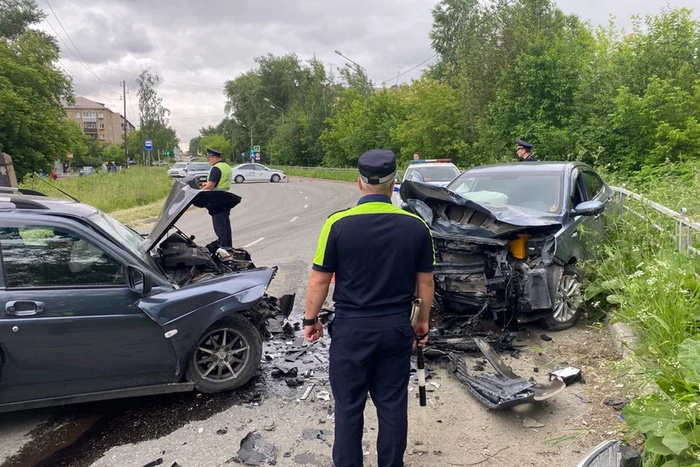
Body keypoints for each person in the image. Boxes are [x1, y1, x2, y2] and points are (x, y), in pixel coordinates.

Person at [303, 149, 435, 467]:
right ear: (394, 185)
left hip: (351, 330)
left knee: (349, 408)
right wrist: (421, 324)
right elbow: (426, 284)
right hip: (395, 329)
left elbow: (319, 281)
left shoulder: (336, 224)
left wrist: (311, 319)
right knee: (391, 405)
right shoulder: (416, 226)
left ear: (359, 183)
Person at [200, 148, 233, 248]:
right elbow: (220, 181)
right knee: (226, 226)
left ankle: (223, 248)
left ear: (214, 158)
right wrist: (207, 184)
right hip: (226, 198)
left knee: (220, 227)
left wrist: (199, 191)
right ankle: (228, 247)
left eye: (209, 158)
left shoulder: (216, 168)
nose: (208, 161)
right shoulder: (226, 166)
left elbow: (211, 186)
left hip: (217, 200)